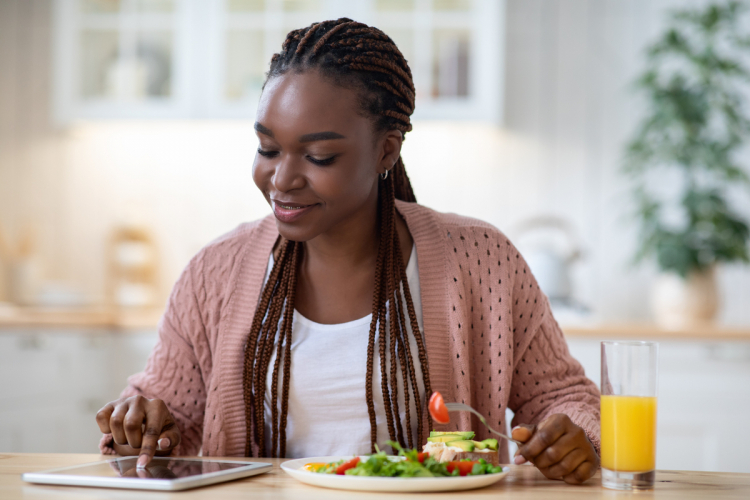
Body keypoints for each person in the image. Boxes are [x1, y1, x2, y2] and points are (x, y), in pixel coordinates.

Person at [95, 18, 600, 485]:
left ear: (386, 150)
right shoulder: (215, 272)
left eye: (319, 156)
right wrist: (139, 426)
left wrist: (574, 436)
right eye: (268, 149)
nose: (283, 179)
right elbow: (169, 422)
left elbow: (564, 398)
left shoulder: (482, 260)